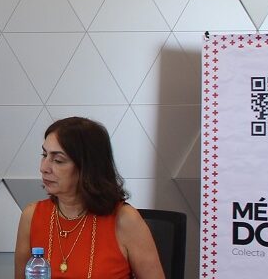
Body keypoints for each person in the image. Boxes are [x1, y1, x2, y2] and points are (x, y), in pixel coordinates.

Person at [14, 117, 165, 279]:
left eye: (58, 160)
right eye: (44, 155)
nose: (43, 167)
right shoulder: (32, 215)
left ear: (88, 167)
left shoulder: (125, 220)